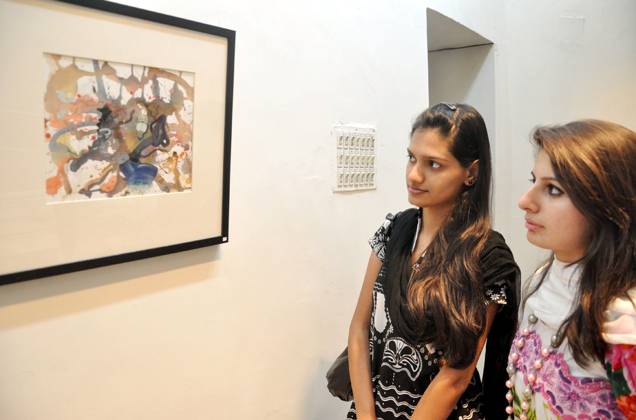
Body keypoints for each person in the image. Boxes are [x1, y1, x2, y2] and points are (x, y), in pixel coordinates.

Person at [347, 103, 519, 420]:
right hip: (376, 408)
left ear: (471, 173)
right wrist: (366, 415)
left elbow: (456, 375)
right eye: (412, 157)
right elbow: (359, 329)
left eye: (434, 165)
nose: (414, 174)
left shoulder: (485, 257)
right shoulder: (394, 231)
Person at [507, 120, 636, 419]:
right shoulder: (543, 279)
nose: (525, 202)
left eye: (552, 189)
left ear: (606, 204)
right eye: (533, 181)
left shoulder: (622, 320)